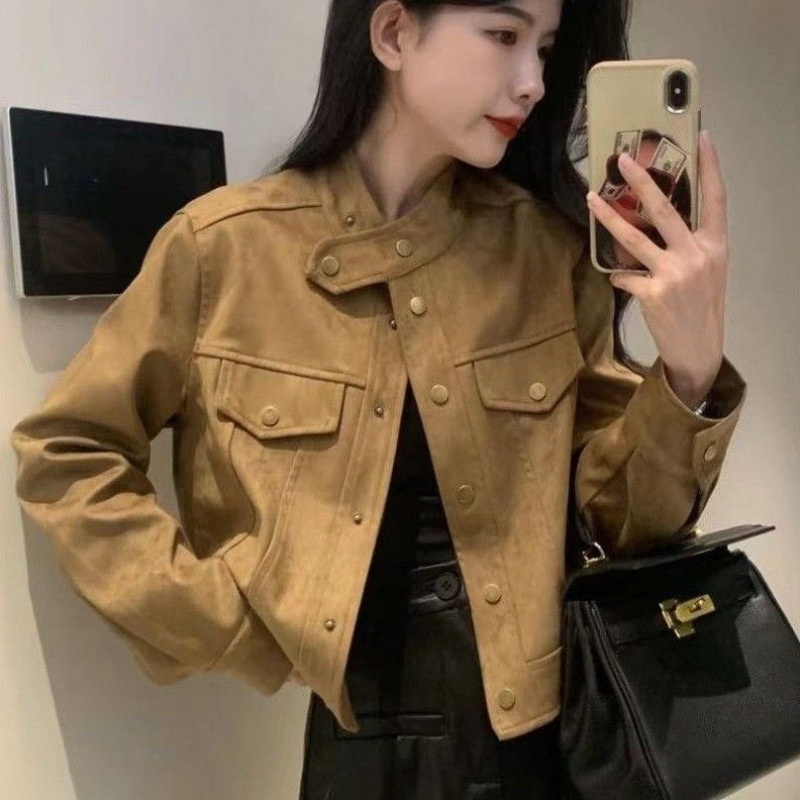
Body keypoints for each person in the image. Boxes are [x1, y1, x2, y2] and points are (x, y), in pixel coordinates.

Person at [9, 0, 748, 798]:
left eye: (544, 48)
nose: (533, 82)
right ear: (394, 33)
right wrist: (222, 619)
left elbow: (621, 524)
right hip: (366, 753)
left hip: (557, 737)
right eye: (504, 35)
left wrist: (689, 372)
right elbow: (67, 455)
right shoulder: (227, 250)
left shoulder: (548, 251)